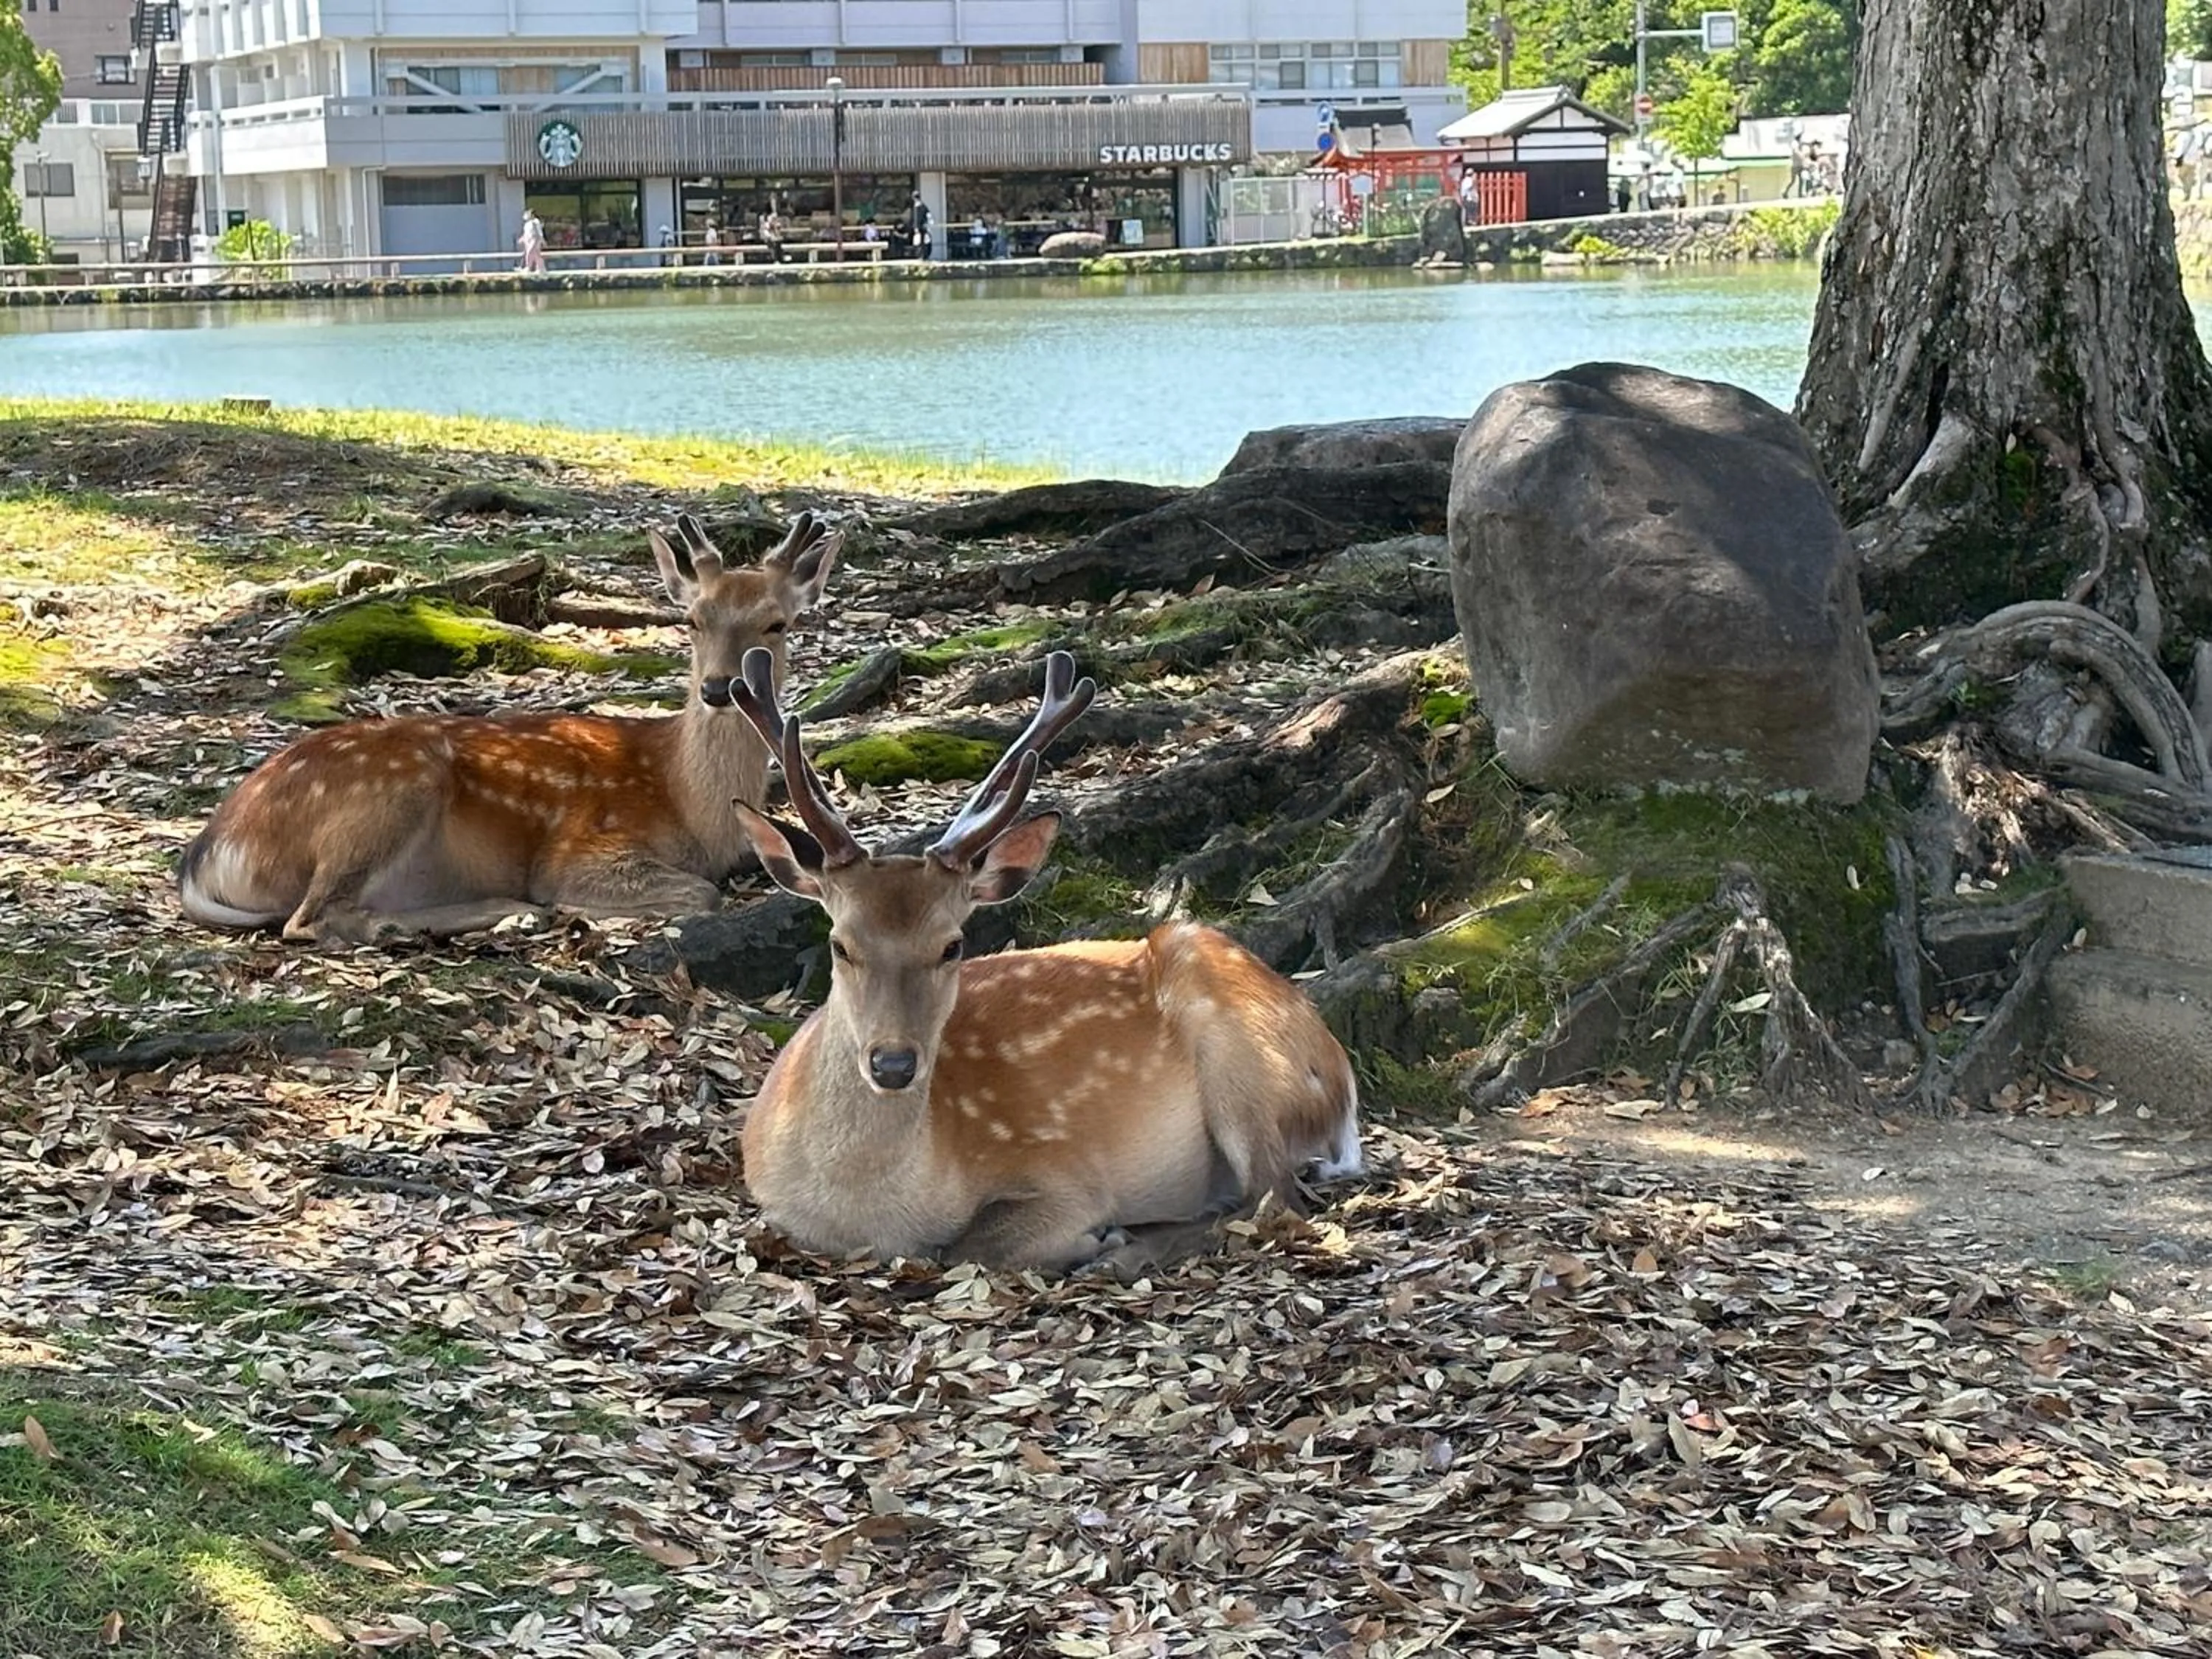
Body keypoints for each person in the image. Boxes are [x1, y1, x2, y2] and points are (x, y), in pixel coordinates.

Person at [516, 209, 546, 274]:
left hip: (535, 239)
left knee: (530, 253)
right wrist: (522, 239)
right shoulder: (527, 224)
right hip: (529, 240)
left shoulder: (535, 221)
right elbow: (526, 233)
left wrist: (542, 240)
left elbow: (539, 231)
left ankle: (528, 267)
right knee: (536, 254)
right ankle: (541, 268)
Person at [907, 192, 931, 259]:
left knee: (920, 242)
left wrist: (916, 227)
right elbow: (928, 215)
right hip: (922, 226)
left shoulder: (918, 206)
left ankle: (922, 256)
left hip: (921, 227)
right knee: (920, 241)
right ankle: (922, 255)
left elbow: (918, 218)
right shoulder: (922, 206)